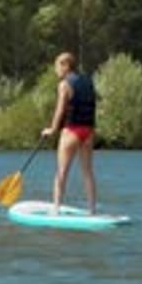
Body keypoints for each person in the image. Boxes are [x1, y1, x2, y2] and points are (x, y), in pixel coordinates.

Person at [41, 51, 97, 214]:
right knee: (87, 172)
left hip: (71, 131)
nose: (56, 70)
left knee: (61, 172)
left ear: (65, 66)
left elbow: (60, 110)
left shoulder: (64, 85)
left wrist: (52, 130)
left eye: (57, 66)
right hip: (88, 131)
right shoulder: (88, 81)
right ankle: (92, 210)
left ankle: (56, 210)